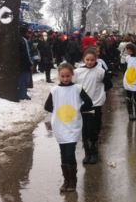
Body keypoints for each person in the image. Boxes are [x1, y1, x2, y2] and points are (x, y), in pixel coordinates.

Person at [44, 63, 93, 192]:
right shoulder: (54, 90)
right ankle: (66, 179)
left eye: (68, 76)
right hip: (60, 126)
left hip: (73, 126)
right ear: (59, 76)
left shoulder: (77, 88)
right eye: (63, 76)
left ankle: (73, 180)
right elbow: (47, 106)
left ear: (72, 74)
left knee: (70, 153)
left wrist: (77, 110)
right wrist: (59, 111)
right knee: (63, 154)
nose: (65, 79)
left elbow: (89, 103)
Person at [74, 48, 112, 164]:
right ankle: (87, 152)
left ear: (96, 59)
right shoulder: (77, 72)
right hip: (82, 104)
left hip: (95, 104)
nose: (90, 62)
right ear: (83, 59)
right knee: (84, 129)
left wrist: (100, 93)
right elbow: (74, 86)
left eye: (92, 60)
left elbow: (108, 84)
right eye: (87, 60)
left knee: (93, 129)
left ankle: (94, 152)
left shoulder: (100, 71)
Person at [123, 43, 136, 121]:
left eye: (128, 50)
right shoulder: (127, 58)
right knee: (128, 96)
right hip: (128, 79)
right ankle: (130, 113)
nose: (127, 51)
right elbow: (125, 68)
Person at [19, 26, 34, 101]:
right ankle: (22, 94)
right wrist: (30, 63)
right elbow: (27, 53)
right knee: (24, 79)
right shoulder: (24, 40)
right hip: (24, 63)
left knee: (21, 79)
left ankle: (21, 92)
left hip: (18, 62)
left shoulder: (16, 39)